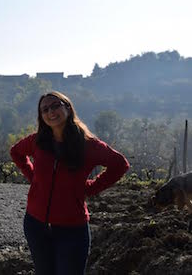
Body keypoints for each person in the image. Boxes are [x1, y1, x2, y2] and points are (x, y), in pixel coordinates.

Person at [10, 91, 129, 275]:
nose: (51, 112)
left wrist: (91, 187)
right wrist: (33, 177)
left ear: (68, 107)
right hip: (35, 225)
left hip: (72, 229)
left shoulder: (88, 145)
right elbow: (16, 152)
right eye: (45, 109)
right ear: (41, 116)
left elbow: (120, 165)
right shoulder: (37, 141)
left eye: (55, 105)